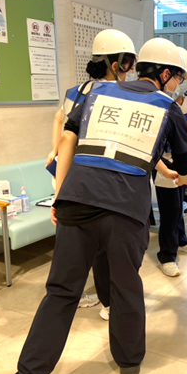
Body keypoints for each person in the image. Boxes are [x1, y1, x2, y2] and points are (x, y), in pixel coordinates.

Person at [10, 36, 187, 374]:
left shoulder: (96, 93)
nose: (179, 84)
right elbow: (182, 164)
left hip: (77, 200)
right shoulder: (169, 108)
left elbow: (68, 141)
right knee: (125, 286)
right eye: (179, 77)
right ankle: (128, 361)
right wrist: (175, 167)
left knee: (61, 292)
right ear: (165, 74)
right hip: (126, 209)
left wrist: (60, 196)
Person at [46, 29, 139, 319]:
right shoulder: (117, 94)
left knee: (72, 244)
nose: (131, 70)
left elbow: (60, 120)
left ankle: (77, 294)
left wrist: (54, 152)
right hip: (94, 177)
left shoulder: (75, 91)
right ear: (116, 63)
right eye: (129, 63)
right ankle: (108, 302)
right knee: (102, 246)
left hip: (66, 174)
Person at [152, 46, 187, 277]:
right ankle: (166, 256)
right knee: (169, 210)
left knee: (180, 203)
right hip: (163, 161)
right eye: (183, 75)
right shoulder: (159, 100)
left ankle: (181, 240)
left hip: (182, 156)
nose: (185, 79)